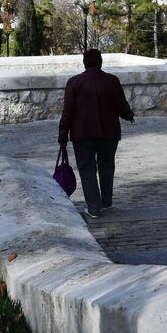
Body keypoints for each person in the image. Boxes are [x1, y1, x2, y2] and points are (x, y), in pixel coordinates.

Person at [58, 49, 135, 219]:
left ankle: (93, 208)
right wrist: (128, 115)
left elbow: (68, 113)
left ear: (85, 63)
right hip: (109, 133)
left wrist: (62, 134)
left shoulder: (74, 82)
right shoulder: (112, 81)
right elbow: (121, 106)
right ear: (101, 62)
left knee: (87, 169)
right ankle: (106, 202)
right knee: (107, 167)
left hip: (82, 134)